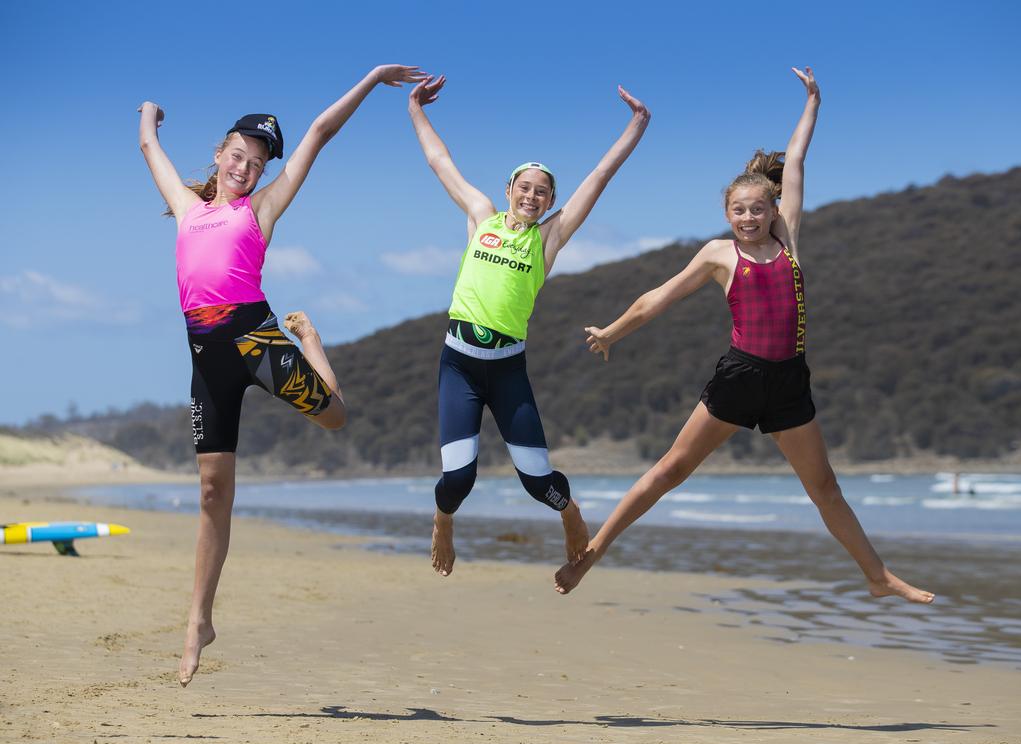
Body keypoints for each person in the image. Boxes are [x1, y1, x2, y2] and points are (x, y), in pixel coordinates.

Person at [554, 68, 934, 605]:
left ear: (774, 209)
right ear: (727, 214)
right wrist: (613, 332)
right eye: (739, 210)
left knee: (825, 488)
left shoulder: (790, 241)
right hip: (741, 375)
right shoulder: (718, 254)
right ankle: (591, 553)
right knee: (671, 470)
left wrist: (813, 102)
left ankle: (878, 576)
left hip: (789, 382)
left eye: (758, 208)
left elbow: (797, 159)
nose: (749, 217)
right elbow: (657, 298)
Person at [138, 64, 424, 686]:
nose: (247, 168)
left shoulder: (261, 211)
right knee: (213, 494)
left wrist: (372, 79)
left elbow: (319, 131)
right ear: (219, 155)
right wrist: (150, 112)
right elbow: (147, 144)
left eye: (258, 163)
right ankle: (198, 621)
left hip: (257, 341)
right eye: (240, 155)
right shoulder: (187, 209)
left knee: (337, 417)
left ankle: (314, 344)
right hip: (206, 359)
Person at [407, 75, 650, 577]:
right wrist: (415, 108)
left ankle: (571, 513)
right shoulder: (482, 219)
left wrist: (638, 124)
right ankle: (443, 520)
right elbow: (439, 162)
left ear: (548, 201)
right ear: (509, 190)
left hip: (507, 368)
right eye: (525, 188)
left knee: (538, 480)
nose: (533, 197)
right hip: (459, 365)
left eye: (543, 192)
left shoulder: (547, 240)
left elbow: (600, 176)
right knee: (459, 476)